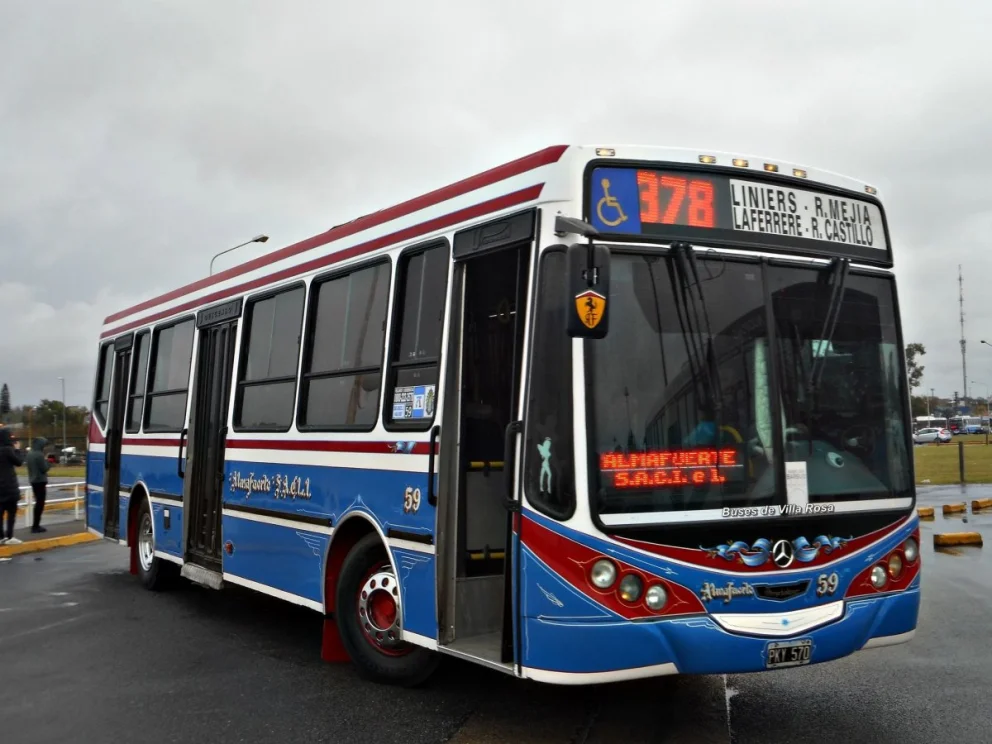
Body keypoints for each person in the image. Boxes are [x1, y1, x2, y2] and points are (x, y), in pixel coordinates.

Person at [0, 428, 24, 545]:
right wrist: (17, 449)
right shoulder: (8, 449)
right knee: (11, 513)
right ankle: (9, 536)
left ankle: (1, 537)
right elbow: (19, 462)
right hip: (9, 486)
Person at [26, 437, 50, 533]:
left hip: (33, 480)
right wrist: (48, 461)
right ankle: (36, 526)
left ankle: (35, 525)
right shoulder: (39, 455)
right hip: (40, 481)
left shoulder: (30, 453)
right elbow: (44, 469)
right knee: (40, 503)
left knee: (38, 502)